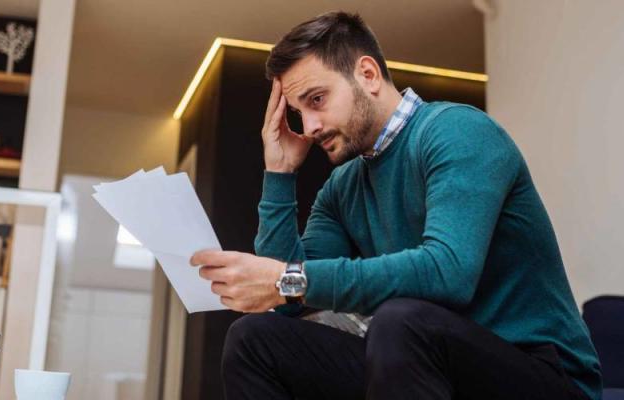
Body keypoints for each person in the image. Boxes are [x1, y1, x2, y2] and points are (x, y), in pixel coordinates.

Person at [189, 11, 601, 400]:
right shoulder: (342, 187)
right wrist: (279, 174)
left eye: (317, 100)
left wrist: (287, 280)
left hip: (543, 374)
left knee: (400, 319)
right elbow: (286, 303)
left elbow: (447, 273)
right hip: (426, 362)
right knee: (254, 340)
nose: (309, 127)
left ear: (367, 75)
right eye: (298, 113)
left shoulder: (457, 132)